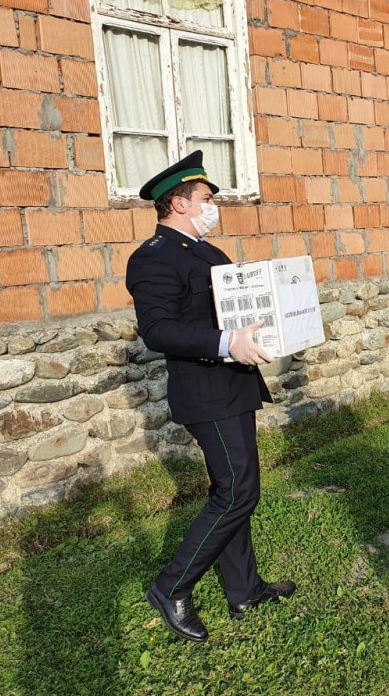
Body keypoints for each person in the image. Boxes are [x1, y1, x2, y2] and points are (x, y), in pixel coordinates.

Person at [126, 151, 295, 643]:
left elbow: (231, 309)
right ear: (178, 202)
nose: (212, 206)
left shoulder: (209, 253)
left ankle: (243, 589)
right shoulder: (153, 258)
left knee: (234, 489)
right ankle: (171, 587)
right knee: (238, 491)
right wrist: (225, 343)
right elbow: (157, 330)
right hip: (205, 389)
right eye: (205, 199)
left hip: (232, 384)